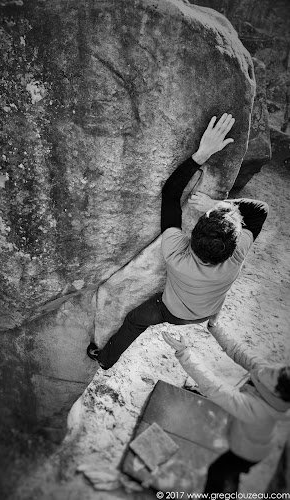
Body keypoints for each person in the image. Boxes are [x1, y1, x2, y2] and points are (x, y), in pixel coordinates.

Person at [87, 113, 269, 370]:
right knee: (143, 319)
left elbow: (171, 195)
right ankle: (106, 360)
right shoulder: (237, 254)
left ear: (191, 236)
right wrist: (218, 204)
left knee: (135, 321)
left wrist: (202, 153)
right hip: (204, 313)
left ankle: (105, 359)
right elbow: (260, 209)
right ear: (234, 244)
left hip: (171, 311)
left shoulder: (176, 254)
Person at [162, 325, 290, 493]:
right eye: (280, 367)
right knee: (229, 473)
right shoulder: (269, 375)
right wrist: (215, 327)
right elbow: (239, 351)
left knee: (217, 472)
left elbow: (215, 388)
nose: (271, 368)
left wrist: (185, 353)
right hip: (245, 434)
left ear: (276, 392)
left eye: (275, 373)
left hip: (247, 452)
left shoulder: (257, 411)